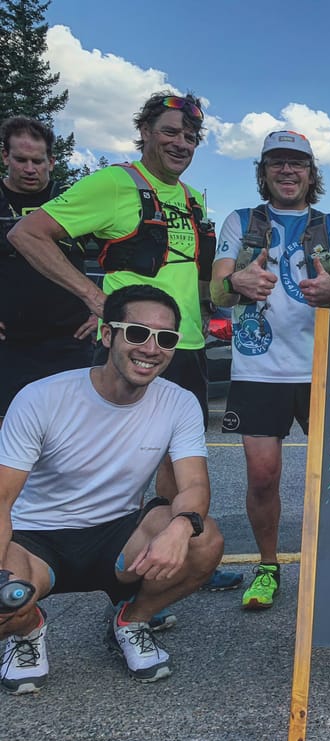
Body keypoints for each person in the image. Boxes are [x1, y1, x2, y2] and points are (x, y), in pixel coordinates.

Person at [8, 92, 240, 604]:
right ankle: (102, 573)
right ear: (145, 132)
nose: (181, 143)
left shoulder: (192, 199)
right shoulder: (116, 183)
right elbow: (29, 233)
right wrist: (94, 298)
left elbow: (198, 277)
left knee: (177, 467)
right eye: (170, 131)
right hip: (132, 346)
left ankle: (168, 556)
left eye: (190, 136)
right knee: (113, 465)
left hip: (187, 343)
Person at [0, 285, 224, 693]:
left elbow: (193, 485)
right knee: (4, 602)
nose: (151, 349)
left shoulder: (179, 402)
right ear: (107, 335)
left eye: (165, 338)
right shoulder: (41, 398)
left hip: (117, 536)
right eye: (137, 333)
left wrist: (179, 528)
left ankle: (131, 620)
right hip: (34, 539)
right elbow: (2, 499)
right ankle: (27, 629)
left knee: (203, 537)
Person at [210, 131, 330, 611]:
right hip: (258, 371)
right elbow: (217, 291)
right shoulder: (241, 220)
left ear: (312, 173)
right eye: (277, 162)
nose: (288, 171)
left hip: (322, 369)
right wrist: (237, 280)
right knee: (263, 477)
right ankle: (268, 566)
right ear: (263, 170)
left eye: (298, 163)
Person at [0, 116, 95, 424]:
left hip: (70, 340)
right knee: (9, 433)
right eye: (21, 160)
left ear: (51, 162)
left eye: (38, 161)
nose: (30, 168)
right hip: (9, 343)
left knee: (69, 432)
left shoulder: (70, 200)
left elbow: (119, 255)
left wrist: (104, 310)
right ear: (5, 157)